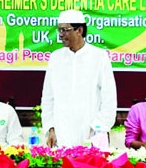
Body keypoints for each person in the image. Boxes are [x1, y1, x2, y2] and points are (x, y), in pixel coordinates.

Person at [41, 9, 117, 147]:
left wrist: (98, 129)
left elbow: (109, 99)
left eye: (65, 30)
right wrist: (50, 128)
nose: (61, 35)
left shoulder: (99, 57)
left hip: (91, 133)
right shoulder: (55, 58)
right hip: (61, 133)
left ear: (79, 30)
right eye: (60, 30)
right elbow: (47, 98)